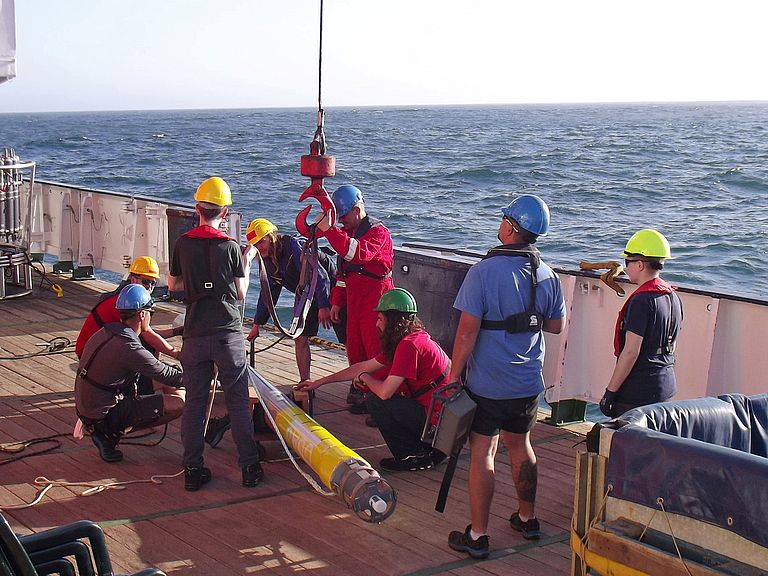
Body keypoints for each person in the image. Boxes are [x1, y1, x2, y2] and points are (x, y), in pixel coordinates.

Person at [446, 194, 566, 559]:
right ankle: (527, 518)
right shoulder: (547, 275)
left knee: (483, 452)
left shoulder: (482, 272)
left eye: (503, 220)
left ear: (512, 228)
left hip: (488, 384)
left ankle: (478, 535)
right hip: (527, 382)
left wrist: (452, 375)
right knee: (521, 446)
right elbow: (557, 325)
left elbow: (467, 333)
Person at [168, 176, 263, 491]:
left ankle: (193, 470)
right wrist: (247, 263)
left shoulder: (182, 244)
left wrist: (198, 285)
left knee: (195, 401)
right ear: (224, 213)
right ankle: (249, 468)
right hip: (227, 333)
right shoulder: (231, 247)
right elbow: (239, 293)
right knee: (236, 400)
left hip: (195, 332)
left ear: (197, 209)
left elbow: (173, 287)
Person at [295, 288, 449, 471]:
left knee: (376, 401)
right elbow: (363, 366)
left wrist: (365, 379)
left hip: (438, 423)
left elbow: (384, 392)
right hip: (444, 419)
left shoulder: (409, 346)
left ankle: (412, 456)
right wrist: (319, 382)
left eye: (380, 319)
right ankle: (429, 450)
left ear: (393, 321)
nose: (377, 324)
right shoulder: (414, 338)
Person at [74, 284, 185, 463]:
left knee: (173, 385)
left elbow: (161, 372)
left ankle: (107, 429)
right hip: (101, 416)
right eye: (151, 312)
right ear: (142, 315)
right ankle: (109, 435)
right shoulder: (129, 347)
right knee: (179, 403)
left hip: (89, 406)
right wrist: (207, 377)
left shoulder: (107, 331)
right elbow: (168, 375)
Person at [317, 184, 394, 415]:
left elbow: (358, 254)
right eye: (338, 218)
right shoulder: (348, 234)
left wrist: (329, 230)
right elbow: (342, 275)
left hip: (377, 303)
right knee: (355, 351)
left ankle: (382, 405)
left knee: (376, 352)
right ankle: (362, 393)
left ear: (357, 209)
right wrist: (337, 302)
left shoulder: (378, 232)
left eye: (343, 216)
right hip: (355, 303)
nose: (341, 222)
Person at [599, 229, 683, 418]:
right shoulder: (672, 297)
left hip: (638, 392)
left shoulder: (641, 301)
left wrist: (610, 393)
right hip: (664, 386)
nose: (625, 267)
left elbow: (631, 352)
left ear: (640, 264)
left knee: (628, 445)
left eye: (627, 262)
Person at [75, 257, 182, 395]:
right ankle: (147, 383)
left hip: (97, 348)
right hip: (91, 355)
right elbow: (149, 336)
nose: (149, 287)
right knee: (150, 348)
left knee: (149, 348)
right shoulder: (125, 303)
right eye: (146, 281)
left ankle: (148, 379)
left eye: (153, 282)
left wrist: (177, 331)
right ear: (133, 279)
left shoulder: (124, 297)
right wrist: (177, 354)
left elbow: (146, 331)